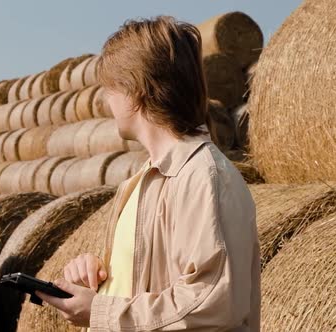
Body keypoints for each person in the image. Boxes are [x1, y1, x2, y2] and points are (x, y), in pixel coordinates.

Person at [35, 16, 260, 331]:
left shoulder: (202, 177)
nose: (104, 99)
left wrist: (100, 311)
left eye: (109, 88)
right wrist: (96, 277)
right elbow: (146, 282)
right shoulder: (144, 179)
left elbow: (213, 303)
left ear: (135, 90)